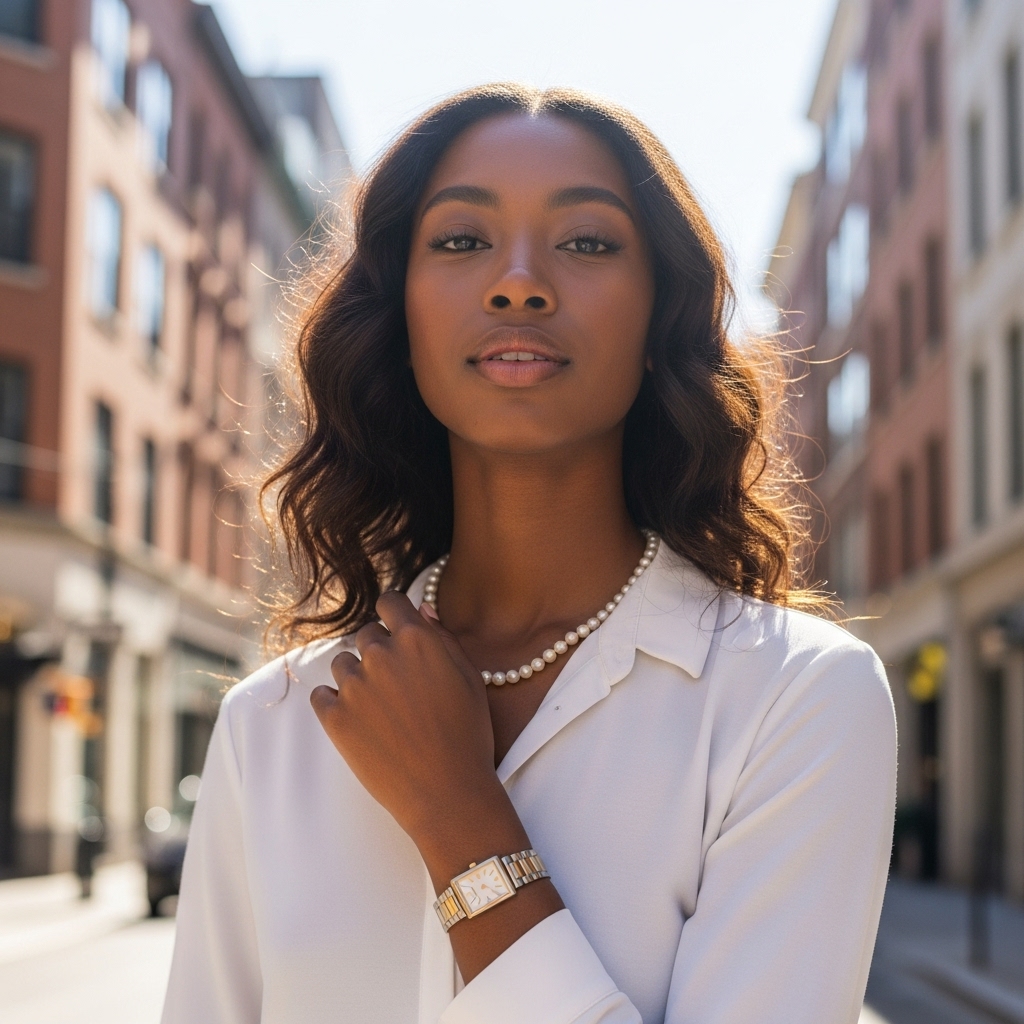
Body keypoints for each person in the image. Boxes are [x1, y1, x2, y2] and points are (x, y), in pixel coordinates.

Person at [161, 84, 896, 1024]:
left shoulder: (796, 700)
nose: (518, 282)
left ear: (657, 315)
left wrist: (460, 821)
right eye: (461, 241)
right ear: (403, 318)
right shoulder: (272, 723)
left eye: (586, 243)